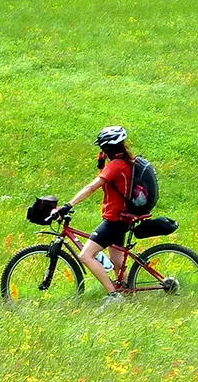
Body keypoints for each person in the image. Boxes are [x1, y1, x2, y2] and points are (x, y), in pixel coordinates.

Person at [51, 126, 135, 301]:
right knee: (118, 264)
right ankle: (130, 295)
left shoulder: (116, 166)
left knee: (86, 255)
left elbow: (91, 188)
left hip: (114, 220)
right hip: (122, 218)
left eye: (102, 148)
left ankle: (114, 296)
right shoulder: (123, 163)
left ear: (108, 148)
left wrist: (67, 205)